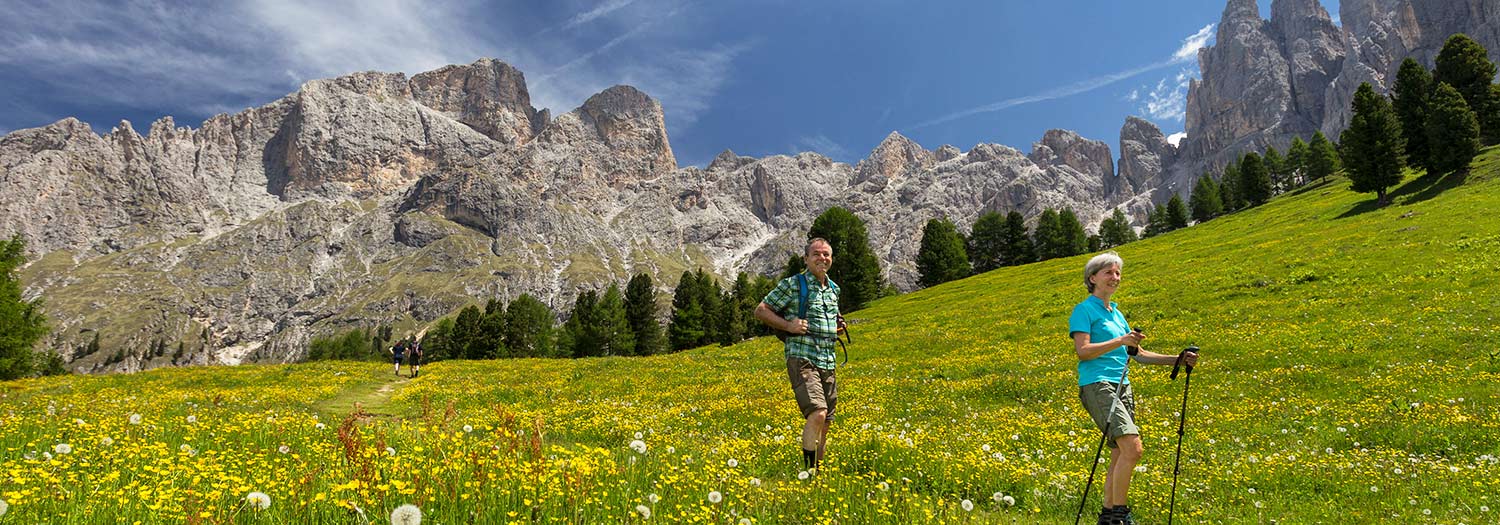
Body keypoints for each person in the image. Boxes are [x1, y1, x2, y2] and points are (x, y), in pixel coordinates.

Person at [1070, 251, 1198, 525]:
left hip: (1122, 385)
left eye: (1118, 273)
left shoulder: (1116, 313)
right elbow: (1083, 351)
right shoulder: (1084, 310)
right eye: (1108, 272)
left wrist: (1177, 359)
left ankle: (1107, 516)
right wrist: (1120, 340)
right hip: (1098, 383)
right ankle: (1120, 516)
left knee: (1120, 451)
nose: (1115, 278)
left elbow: (1136, 353)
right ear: (1092, 278)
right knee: (1133, 448)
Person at [754, 238, 846, 473]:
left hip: (828, 359)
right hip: (802, 356)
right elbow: (761, 310)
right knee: (818, 413)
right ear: (806, 259)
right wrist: (789, 326)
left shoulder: (834, 289)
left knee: (825, 422)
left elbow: (828, 317)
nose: (822, 258)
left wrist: (837, 326)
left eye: (826, 254)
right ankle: (808, 472)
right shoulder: (794, 284)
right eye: (816, 254)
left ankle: (819, 472)